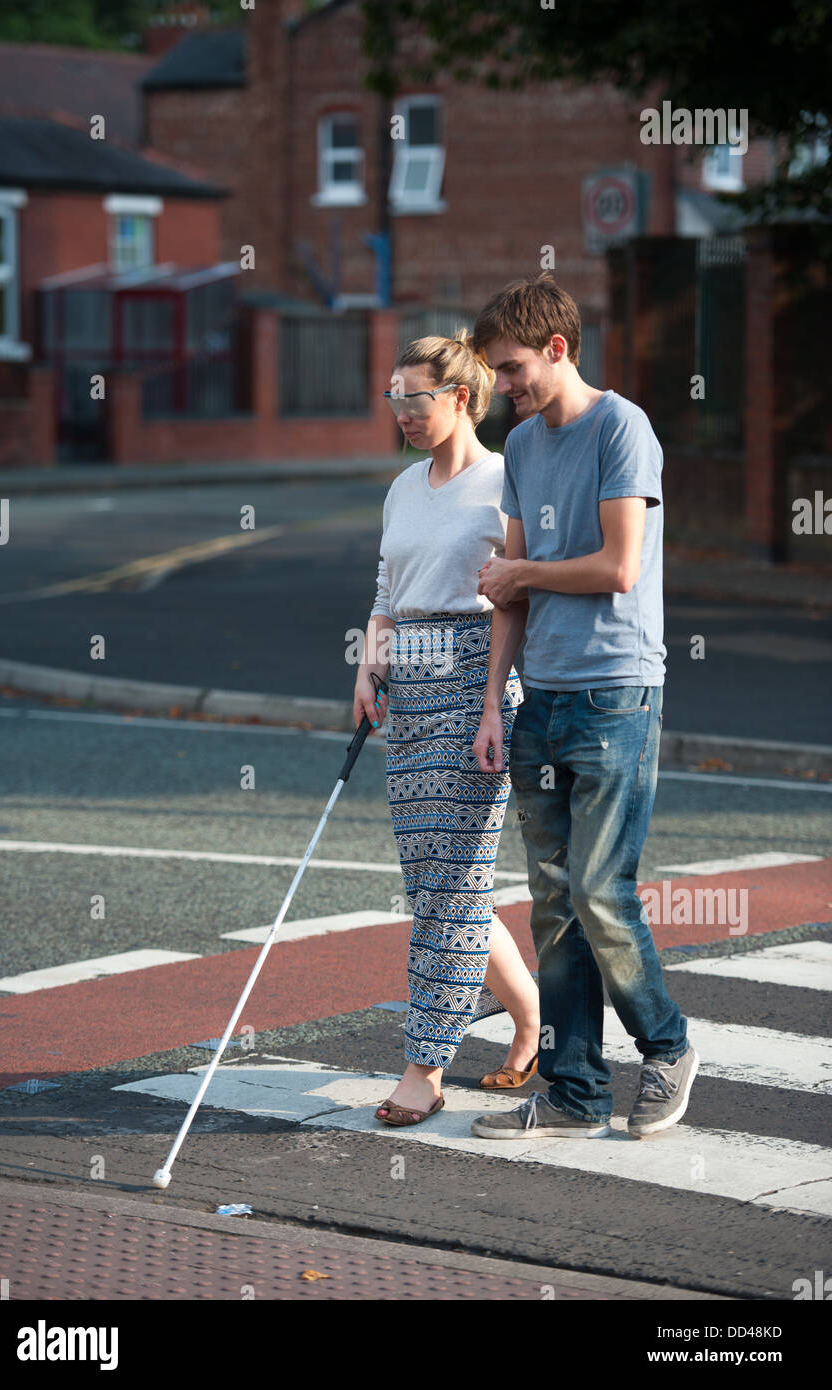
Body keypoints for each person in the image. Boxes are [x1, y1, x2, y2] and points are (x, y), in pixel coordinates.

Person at [467, 274, 698, 1141]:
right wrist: (494, 701)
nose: (502, 385)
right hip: (542, 701)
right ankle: (572, 1091)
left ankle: (666, 1045)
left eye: (511, 367)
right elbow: (509, 594)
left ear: (557, 350)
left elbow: (617, 566)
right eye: (496, 372)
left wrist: (518, 573)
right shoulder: (523, 446)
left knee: (602, 894)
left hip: (614, 694)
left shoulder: (621, 428)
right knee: (554, 906)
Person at [352, 329, 540, 1126]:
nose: (400, 410)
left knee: (450, 887)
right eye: (392, 396)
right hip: (410, 684)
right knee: (442, 883)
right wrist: (370, 662)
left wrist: (495, 701)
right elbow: (388, 585)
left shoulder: (508, 480)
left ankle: (424, 1066)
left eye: (414, 396)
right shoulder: (401, 486)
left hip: (476, 680)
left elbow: (518, 595)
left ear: (461, 398)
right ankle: (531, 1019)